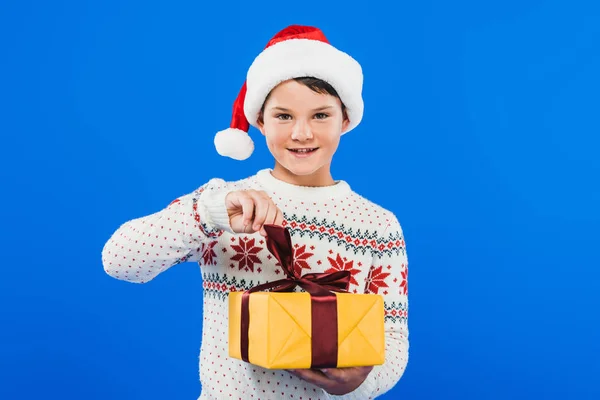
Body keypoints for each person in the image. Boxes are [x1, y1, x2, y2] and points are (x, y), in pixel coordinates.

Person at [102, 24, 409, 399]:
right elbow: (119, 261)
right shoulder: (223, 202)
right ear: (260, 121)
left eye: (321, 115)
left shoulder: (377, 226)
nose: (301, 133)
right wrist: (208, 214)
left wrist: (364, 381)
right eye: (283, 116)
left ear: (346, 120)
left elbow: (392, 337)